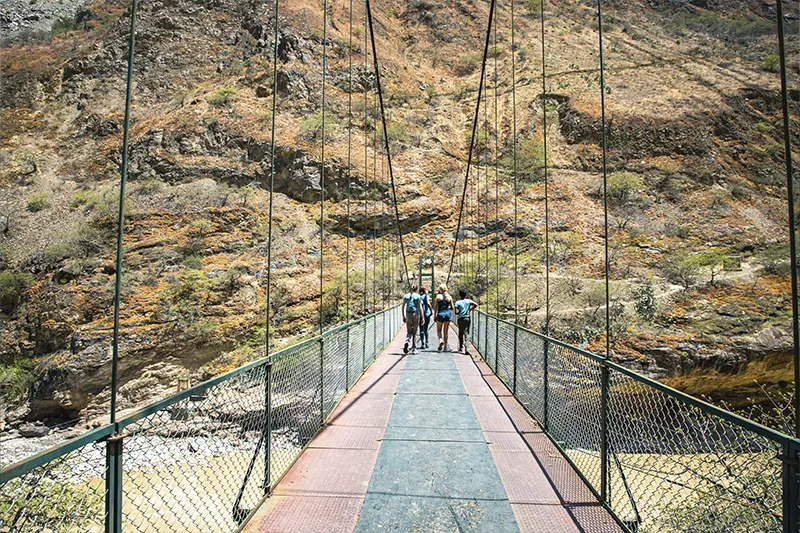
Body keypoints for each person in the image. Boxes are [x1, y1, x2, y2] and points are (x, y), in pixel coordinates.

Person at [454, 289, 478, 354]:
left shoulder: (457, 302)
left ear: (459, 295)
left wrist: (459, 311)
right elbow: (476, 304)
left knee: (461, 332)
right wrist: (469, 310)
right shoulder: (468, 301)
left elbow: (456, 312)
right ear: (466, 295)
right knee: (467, 332)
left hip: (460, 318)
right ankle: (467, 347)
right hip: (467, 318)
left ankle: (461, 347)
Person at [402, 284, 422, 355]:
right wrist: (422, 317)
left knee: (409, 331)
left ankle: (407, 342)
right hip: (415, 314)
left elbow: (403, 306)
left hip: (408, 314)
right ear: (416, 289)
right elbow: (420, 307)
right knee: (415, 332)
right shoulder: (418, 296)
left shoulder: (406, 296)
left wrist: (403, 316)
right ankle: (414, 348)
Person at [433, 284, 454, 352]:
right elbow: (452, 307)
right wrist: (448, 307)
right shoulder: (449, 297)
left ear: (440, 289)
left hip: (440, 314)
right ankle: (445, 347)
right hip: (447, 314)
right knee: (446, 332)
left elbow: (435, 307)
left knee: (439, 330)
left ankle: (440, 340)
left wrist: (434, 316)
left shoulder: (438, 297)